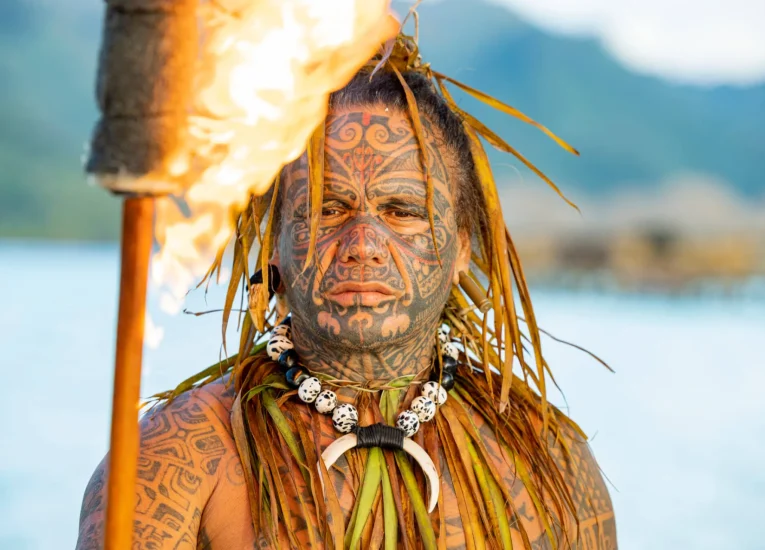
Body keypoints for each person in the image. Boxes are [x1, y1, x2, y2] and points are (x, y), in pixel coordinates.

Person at [76, 33, 617, 550]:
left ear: (462, 249)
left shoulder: (552, 461)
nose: (362, 243)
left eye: (403, 212)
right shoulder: (173, 458)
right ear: (274, 244)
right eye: (326, 209)